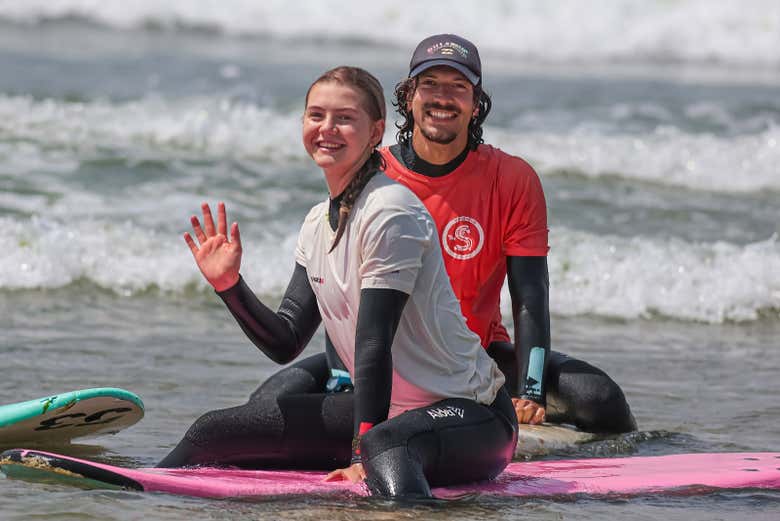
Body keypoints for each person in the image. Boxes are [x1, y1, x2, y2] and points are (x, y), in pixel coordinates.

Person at [159, 66, 517, 498]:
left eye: (344, 118)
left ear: (375, 132)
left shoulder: (390, 212)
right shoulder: (317, 222)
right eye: (316, 115)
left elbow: (372, 343)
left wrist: (357, 455)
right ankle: (137, 491)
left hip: (470, 414)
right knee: (214, 430)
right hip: (392, 411)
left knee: (385, 445)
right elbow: (285, 340)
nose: (327, 128)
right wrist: (229, 285)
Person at [375, 34, 636, 433]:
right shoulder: (373, 173)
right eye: (430, 84)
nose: (442, 98)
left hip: (476, 356)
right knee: (281, 394)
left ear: (476, 104)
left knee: (600, 400)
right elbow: (343, 289)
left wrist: (529, 393)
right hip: (385, 359)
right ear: (408, 95)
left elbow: (530, 296)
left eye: (458, 87)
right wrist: (345, 375)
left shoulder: (511, 178)